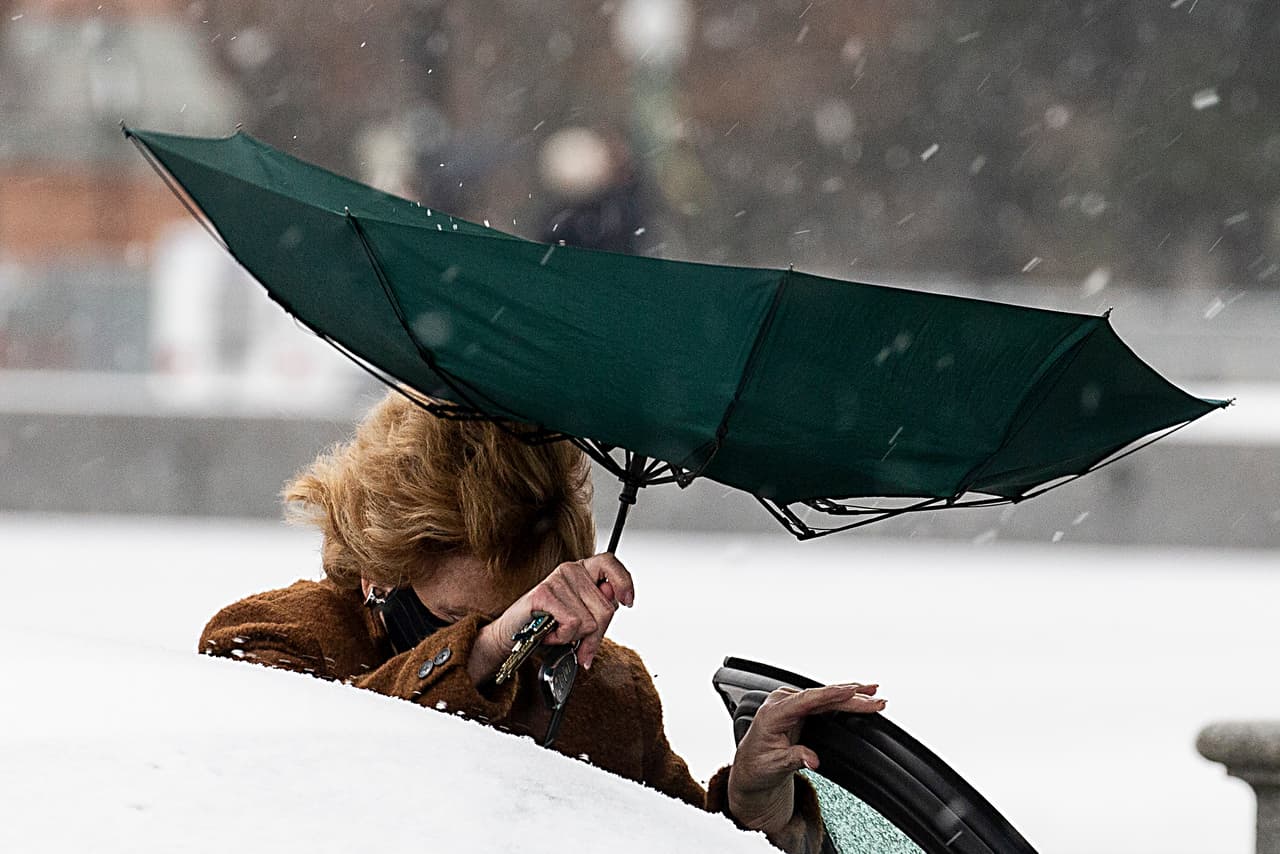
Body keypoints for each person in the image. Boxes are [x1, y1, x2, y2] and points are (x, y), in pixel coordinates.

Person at [200, 390, 885, 853]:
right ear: (379, 567)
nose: (517, 643)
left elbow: (669, 839)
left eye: (525, 613)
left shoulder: (610, 691)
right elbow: (291, 789)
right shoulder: (269, 638)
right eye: (457, 620)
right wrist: (487, 649)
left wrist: (752, 805)